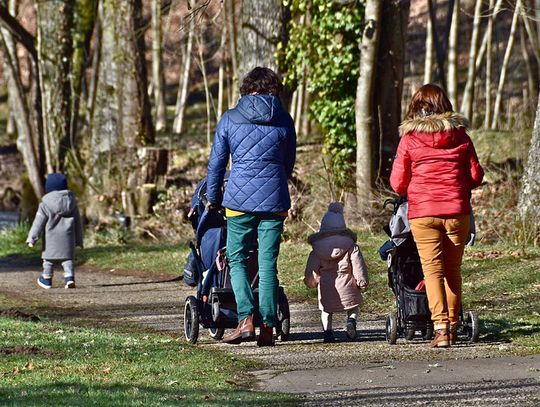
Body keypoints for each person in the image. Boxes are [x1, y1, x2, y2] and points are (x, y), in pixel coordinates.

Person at [206, 67, 296, 347]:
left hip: (239, 202)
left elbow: (217, 164)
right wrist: (277, 183)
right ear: (273, 90)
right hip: (274, 200)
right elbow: (288, 162)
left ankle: (245, 319)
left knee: (237, 259)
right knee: (267, 263)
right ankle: (268, 325)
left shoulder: (230, 118)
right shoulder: (283, 119)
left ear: (246, 89)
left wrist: (213, 197)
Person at [390, 84, 484, 348]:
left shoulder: (409, 139)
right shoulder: (461, 137)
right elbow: (476, 176)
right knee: (453, 270)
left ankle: (441, 329)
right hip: (456, 212)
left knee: (432, 270)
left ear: (416, 106)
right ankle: (454, 326)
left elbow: (397, 183)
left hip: (423, 214)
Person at [304, 202, 369, 343]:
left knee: (326, 311)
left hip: (327, 287)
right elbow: (358, 265)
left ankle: (328, 332)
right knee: (353, 308)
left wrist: (311, 281)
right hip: (348, 285)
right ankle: (351, 321)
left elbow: (312, 270)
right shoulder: (351, 246)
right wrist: (361, 282)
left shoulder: (317, 250)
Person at [27, 173, 83, 289]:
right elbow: (78, 224)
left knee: (48, 261)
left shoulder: (45, 205)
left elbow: (38, 223)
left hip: (50, 241)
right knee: (68, 260)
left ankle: (46, 279)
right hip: (68, 240)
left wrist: (32, 238)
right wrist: (79, 241)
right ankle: (69, 278)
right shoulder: (72, 203)